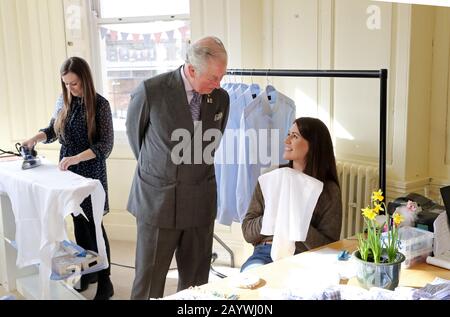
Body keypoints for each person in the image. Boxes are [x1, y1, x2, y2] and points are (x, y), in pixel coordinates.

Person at [126, 36, 230, 299]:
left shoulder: (221, 98)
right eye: (214, 77)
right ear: (192, 69)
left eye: (222, 76)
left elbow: (210, 145)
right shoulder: (151, 90)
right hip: (158, 201)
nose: (219, 84)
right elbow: (135, 139)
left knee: (197, 284)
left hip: (200, 201)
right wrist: (165, 170)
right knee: (149, 281)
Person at [22, 56, 114, 300]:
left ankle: (106, 281)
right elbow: (53, 130)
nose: (71, 88)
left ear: (84, 79)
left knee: (94, 227)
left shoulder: (100, 105)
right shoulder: (63, 101)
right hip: (67, 173)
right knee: (78, 227)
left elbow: (105, 145)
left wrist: (76, 158)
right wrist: (34, 138)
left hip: (89, 173)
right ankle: (87, 272)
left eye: (74, 84)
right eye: (66, 84)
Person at [240, 117, 342, 272]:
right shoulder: (272, 179)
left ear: (313, 145)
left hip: (305, 257)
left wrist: (298, 221)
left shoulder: (328, 191)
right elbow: (248, 232)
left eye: (294, 136)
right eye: (289, 134)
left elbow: (329, 246)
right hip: (266, 253)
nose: (286, 140)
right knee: (251, 279)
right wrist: (273, 215)